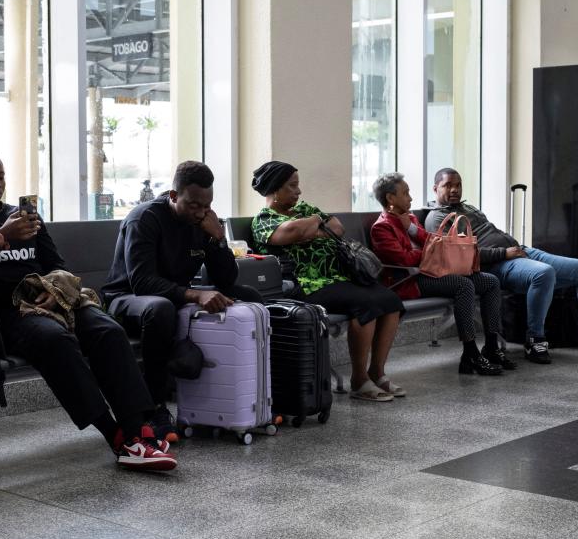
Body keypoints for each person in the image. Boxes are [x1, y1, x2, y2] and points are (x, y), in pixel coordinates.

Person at [0, 148, 176, 471]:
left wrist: (55, 290)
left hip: (53, 301)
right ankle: (115, 435)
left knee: (108, 331)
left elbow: (55, 264)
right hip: (8, 313)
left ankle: (135, 432)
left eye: (1, 176)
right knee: (56, 341)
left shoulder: (24, 217)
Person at [102, 160, 263, 438]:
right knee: (160, 308)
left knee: (249, 296)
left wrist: (218, 240)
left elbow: (226, 280)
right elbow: (142, 282)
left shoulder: (202, 221)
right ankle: (154, 406)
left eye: (206, 205)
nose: (201, 212)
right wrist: (196, 294)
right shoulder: (145, 219)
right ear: (174, 196)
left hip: (171, 297)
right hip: (126, 299)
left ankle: (257, 393)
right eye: (193, 205)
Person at [425, 168, 578, 364]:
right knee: (543, 274)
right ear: (436, 188)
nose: (455, 189)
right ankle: (535, 340)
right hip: (497, 263)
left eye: (458, 185)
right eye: (448, 185)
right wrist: (504, 253)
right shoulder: (438, 218)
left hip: (519, 251)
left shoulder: (467, 208)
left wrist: (513, 248)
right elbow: (459, 256)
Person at [250, 160, 404, 401]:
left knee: (390, 300)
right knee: (366, 305)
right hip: (307, 285)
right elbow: (292, 233)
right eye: (292, 186)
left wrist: (311, 228)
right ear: (276, 189)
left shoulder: (303, 211)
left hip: (338, 278)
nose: (299, 192)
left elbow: (337, 227)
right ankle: (359, 380)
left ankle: (377, 371)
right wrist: (313, 222)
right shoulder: (264, 220)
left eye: (297, 186)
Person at [369, 173, 513, 375]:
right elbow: (405, 260)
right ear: (390, 198)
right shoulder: (382, 227)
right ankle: (470, 352)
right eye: (405, 193)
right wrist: (429, 251)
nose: (410, 198)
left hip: (431, 272)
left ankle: (491, 346)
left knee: (490, 281)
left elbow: (431, 240)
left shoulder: (409, 219)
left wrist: (411, 230)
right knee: (463, 285)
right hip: (409, 282)